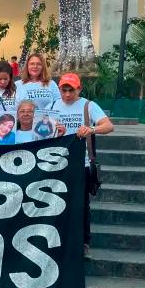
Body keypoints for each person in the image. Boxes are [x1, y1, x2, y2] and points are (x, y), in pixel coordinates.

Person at [50, 72, 114, 254]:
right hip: (59, 162)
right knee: (59, 202)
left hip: (82, 162)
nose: (68, 94)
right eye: (64, 90)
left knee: (81, 204)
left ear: (79, 89)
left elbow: (109, 126)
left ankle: (84, 241)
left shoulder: (88, 105)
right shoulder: (54, 105)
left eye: (72, 90)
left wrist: (91, 128)